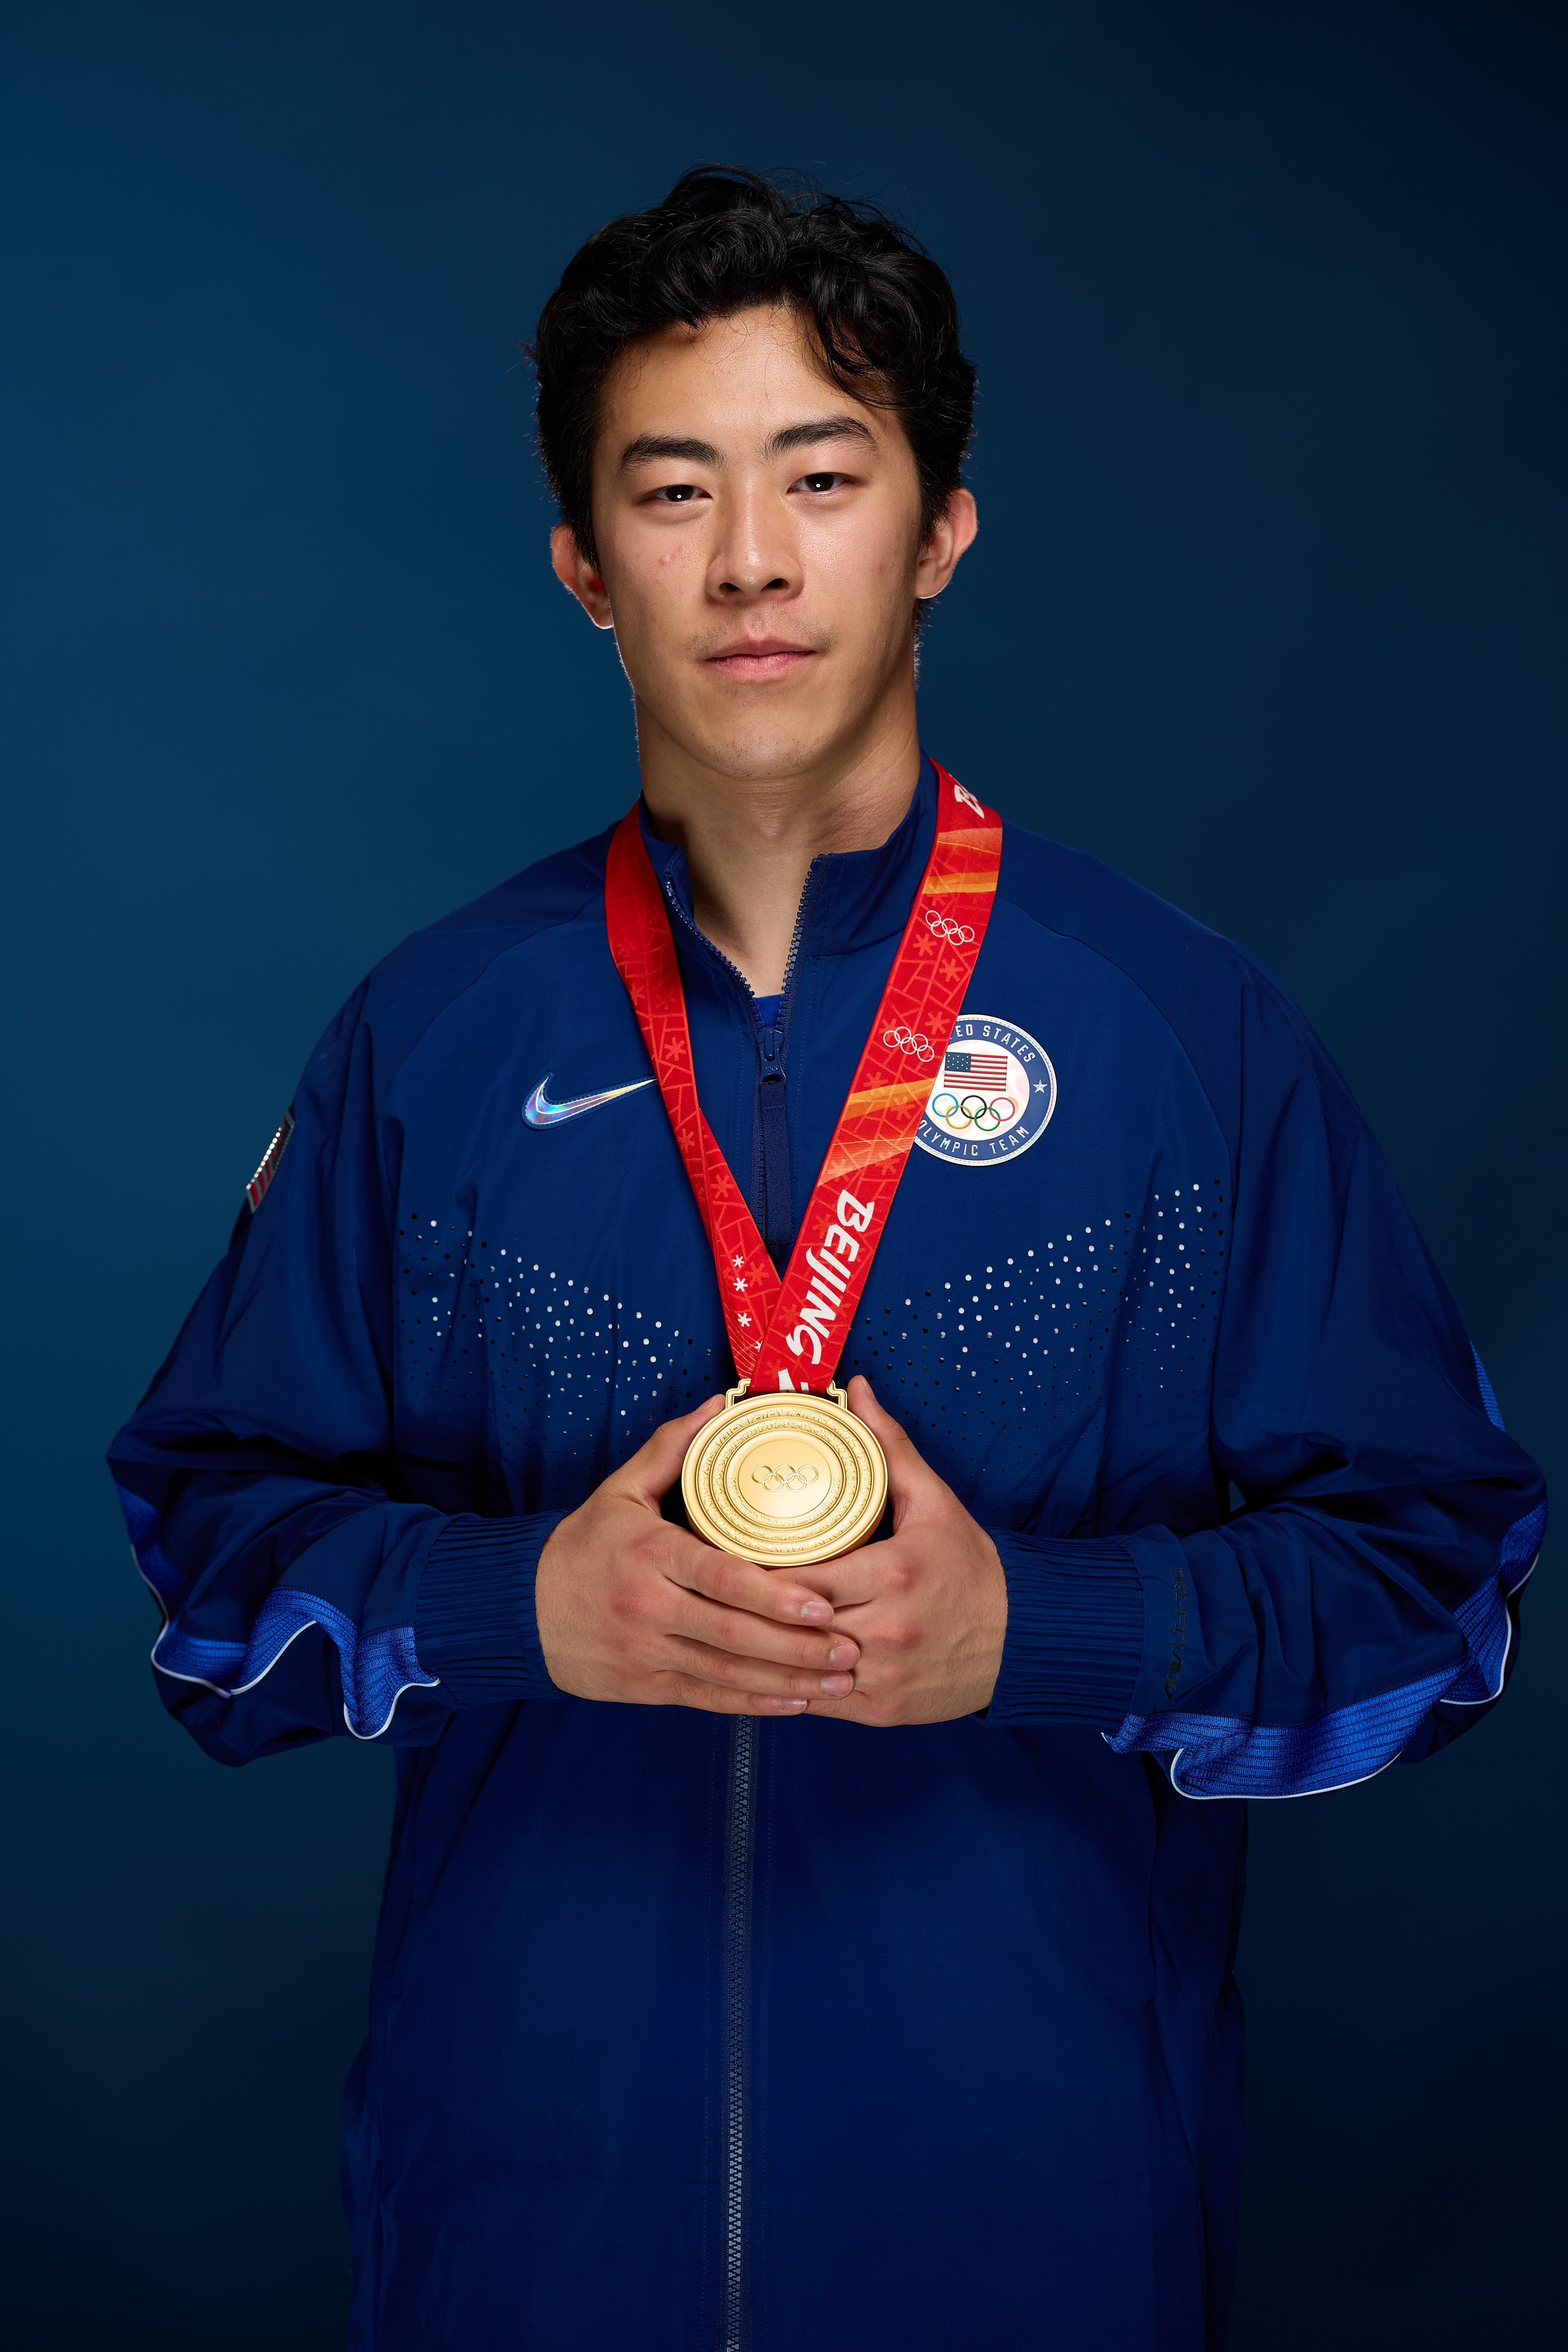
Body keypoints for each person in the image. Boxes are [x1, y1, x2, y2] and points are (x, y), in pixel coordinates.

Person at [109, 168, 1545, 2352]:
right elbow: (214, 1556)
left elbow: (1433, 1581)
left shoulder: (1185, 1034)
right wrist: (520, 1604)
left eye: (825, 476)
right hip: (525, 2223)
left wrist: (1037, 1628)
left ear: (941, 528)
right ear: (589, 565)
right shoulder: (434, 1033)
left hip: (1044, 2224)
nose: (754, 559)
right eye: (673, 490)